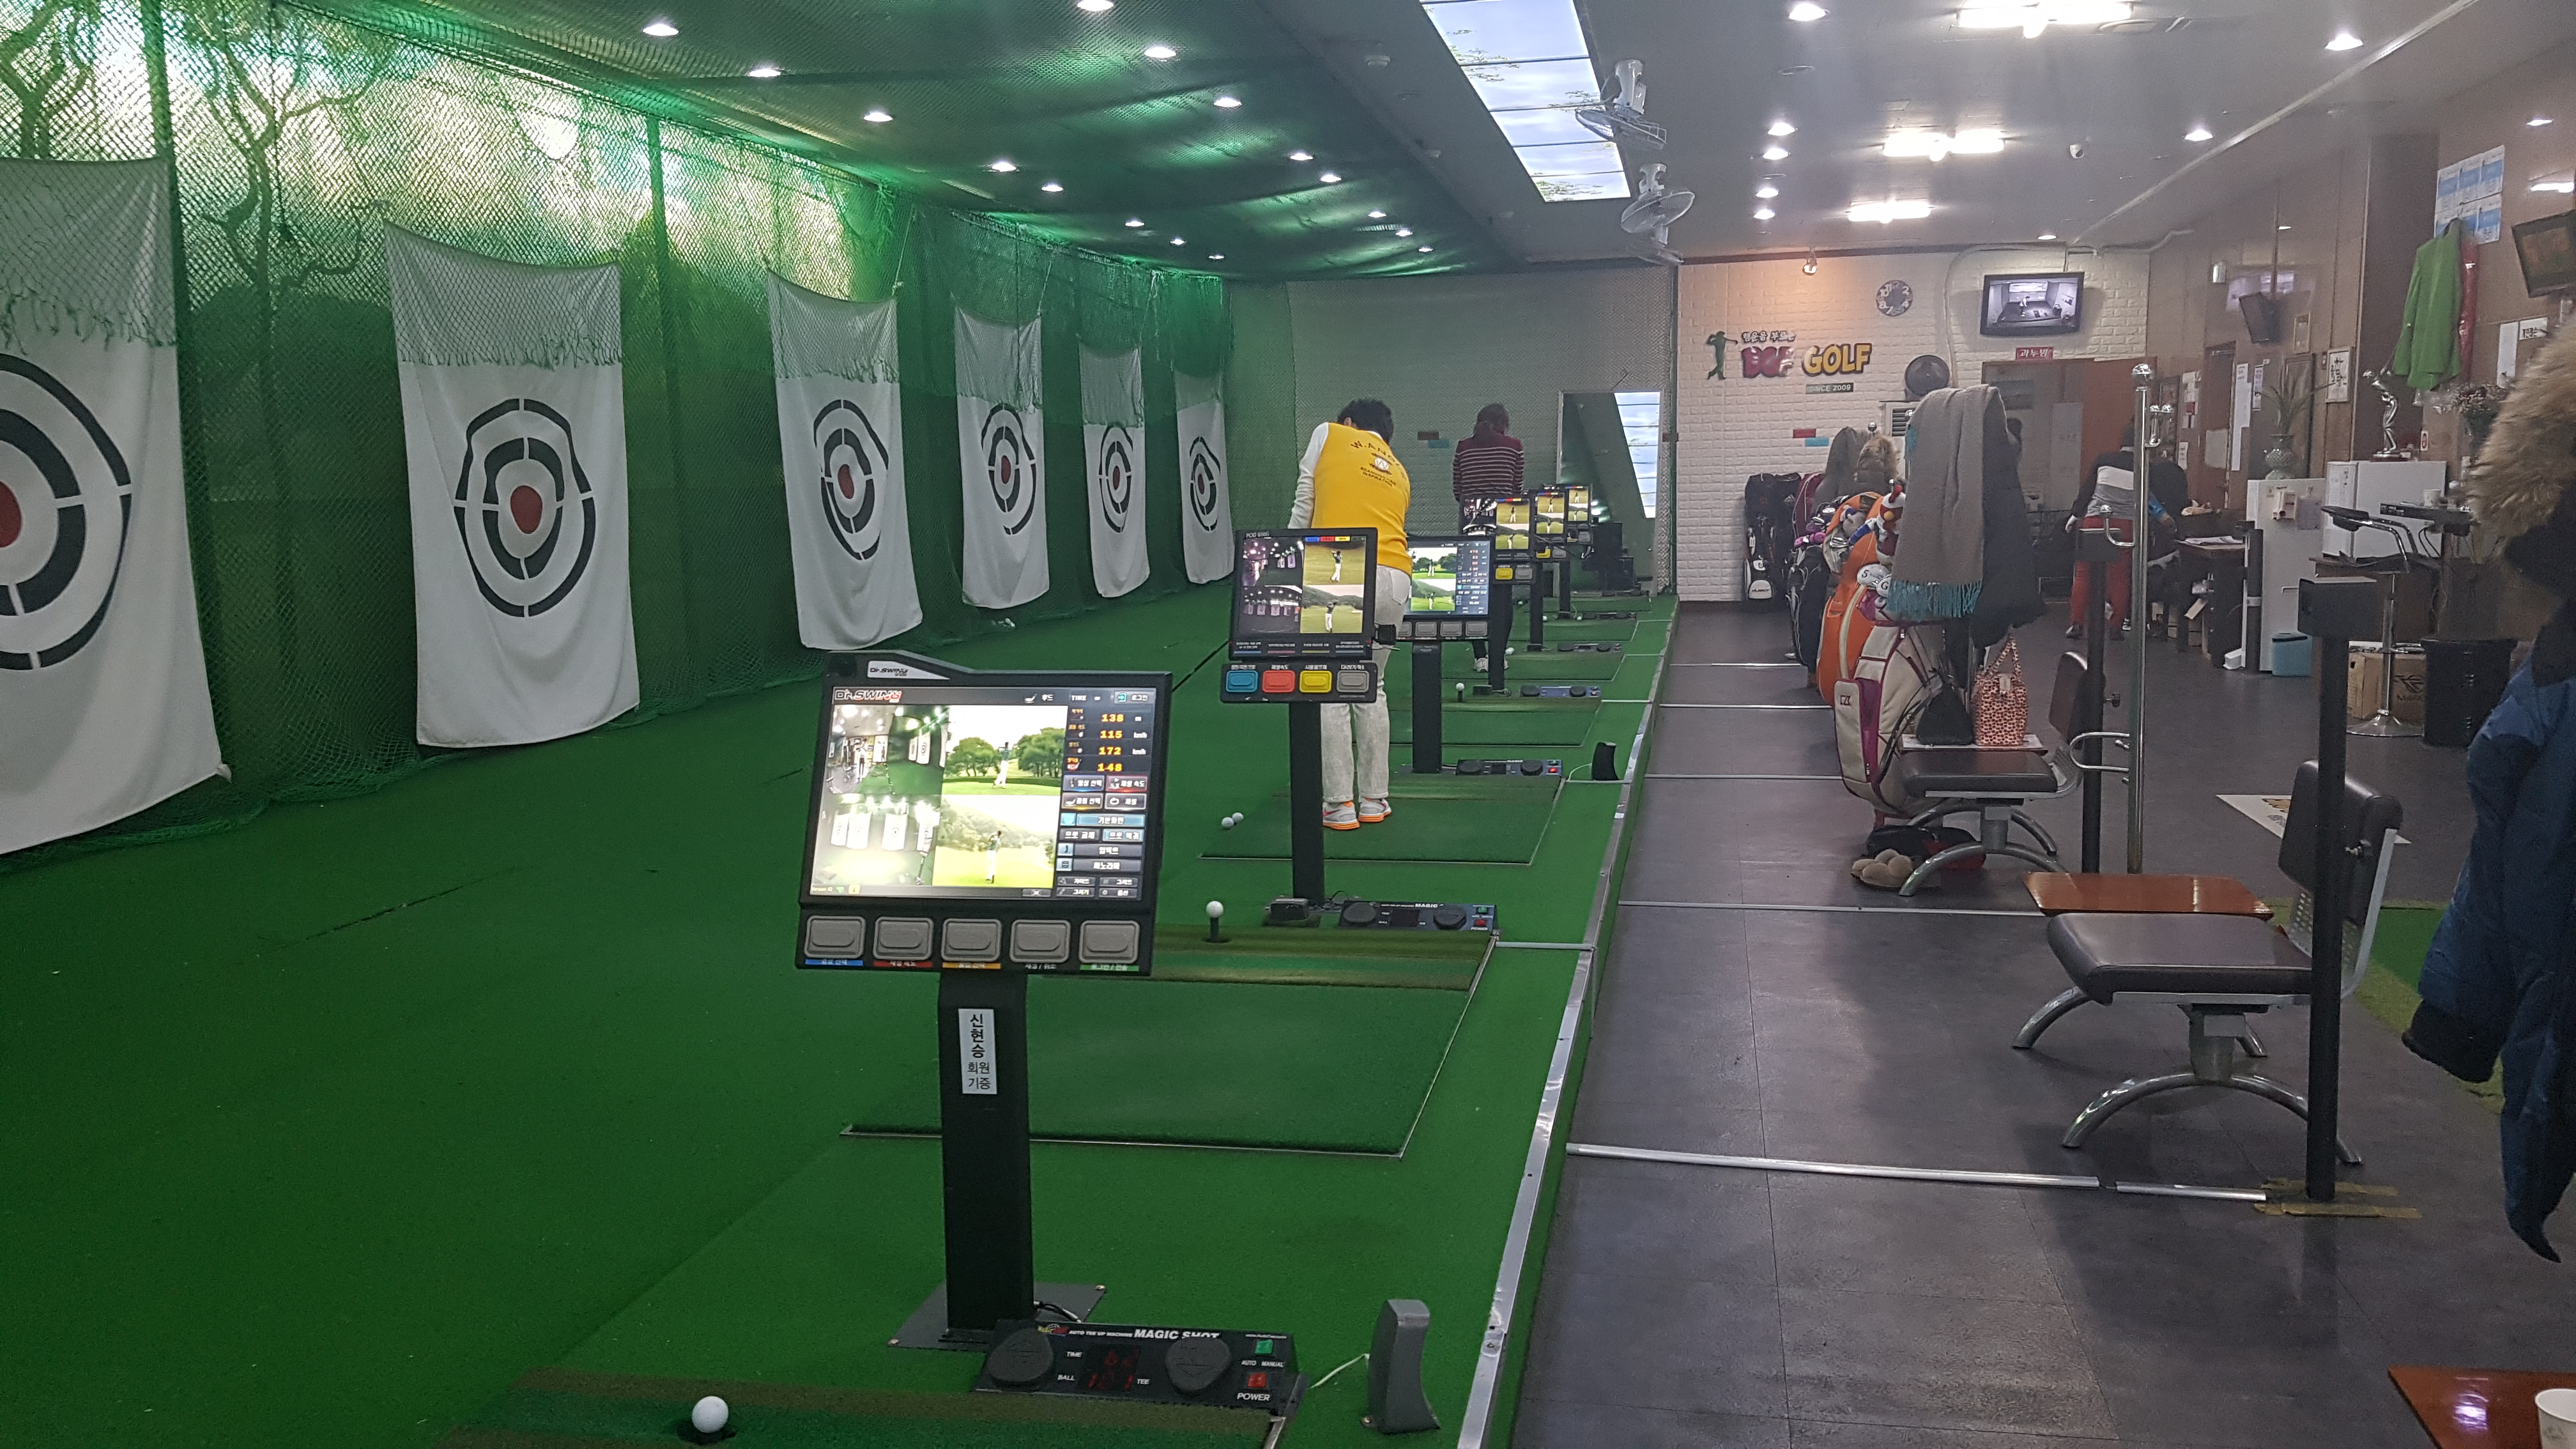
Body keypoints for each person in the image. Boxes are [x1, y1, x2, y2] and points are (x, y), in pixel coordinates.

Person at [1295, 399, 1413, 830]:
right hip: (1396, 575)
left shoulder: (1329, 432)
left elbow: (1305, 502)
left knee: (1331, 684)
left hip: (1339, 561)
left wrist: (1287, 559)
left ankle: (1339, 805)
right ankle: (1374, 800)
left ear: (1349, 421)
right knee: (1371, 684)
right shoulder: (1399, 469)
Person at [2066, 424, 2189, 637]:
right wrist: (2164, 517)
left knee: (2084, 574)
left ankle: (2077, 624)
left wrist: (2075, 515)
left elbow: (2087, 490)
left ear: (2122, 443)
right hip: (2125, 525)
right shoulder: (2143, 467)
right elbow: (2149, 499)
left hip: (2095, 521)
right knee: (2120, 576)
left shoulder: (2103, 460)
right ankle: (2116, 626)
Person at [1451, 402, 1522, 525]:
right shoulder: (1514, 446)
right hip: (1503, 507)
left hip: (1471, 509)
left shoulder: (1464, 447)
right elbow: (1517, 486)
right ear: (1503, 423)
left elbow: (1458, 488)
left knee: (1471, 537)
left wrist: (1469, 500)